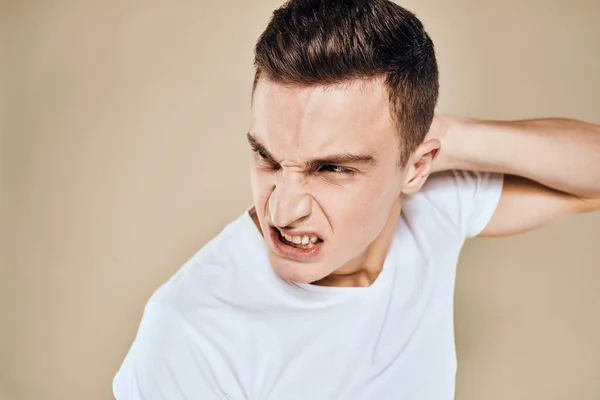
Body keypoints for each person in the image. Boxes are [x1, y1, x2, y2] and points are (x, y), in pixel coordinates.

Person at [113, 0, 600, 399]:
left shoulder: (435, 206)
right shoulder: (192, 330)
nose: (281, 211)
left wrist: (445, 135)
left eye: (331, 168)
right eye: (267, 158)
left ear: (416, 169)